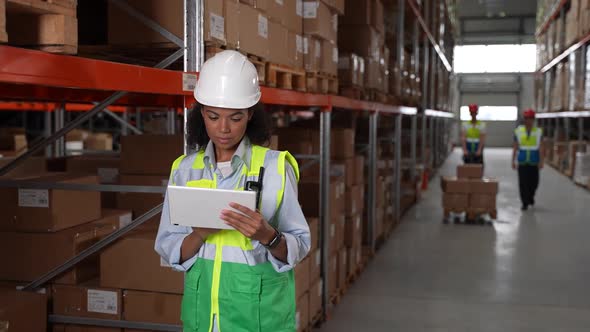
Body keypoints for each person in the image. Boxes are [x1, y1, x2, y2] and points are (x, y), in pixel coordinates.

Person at [155, 50, 311, 332]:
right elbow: (169, 248)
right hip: (203, 319)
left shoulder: (275, 168)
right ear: (201, 112)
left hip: (258, 321)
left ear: (251, 114)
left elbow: (299, 245)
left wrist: (268, 236)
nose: (223, 129)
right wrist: (200, 233)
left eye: (235, 118)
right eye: (213, 116)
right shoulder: (185, 170)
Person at [512, 109, 544, 211]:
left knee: (534, 183)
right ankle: (524, 202)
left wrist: (541, 161)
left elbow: (541, 147)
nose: (528, 121)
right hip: (522, 161)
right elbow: (515, 146)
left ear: (533, 120)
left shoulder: (538, 132)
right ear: (524, 119)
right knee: (523, 183)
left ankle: (531, 197)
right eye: (526, 118)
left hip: (534, 161)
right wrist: (513, 160)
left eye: (530, 119)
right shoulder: (518, 131)